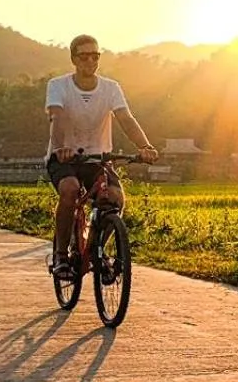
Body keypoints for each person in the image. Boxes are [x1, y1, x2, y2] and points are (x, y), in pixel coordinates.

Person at [46, 35, 159, 278]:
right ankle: (61, 256)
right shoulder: (58, 85)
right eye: (84, 56)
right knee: (70, 189)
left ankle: (97, 250)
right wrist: (60, 147)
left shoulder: (110, 88)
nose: (90, 60)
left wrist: (145, 145)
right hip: (65, 158)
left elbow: (126, 119)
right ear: (74, 59)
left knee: (115, 198)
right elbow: (57, 117)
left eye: (95, 56)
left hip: (98, 158)